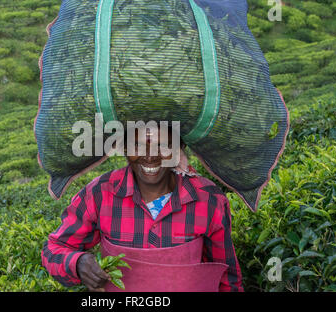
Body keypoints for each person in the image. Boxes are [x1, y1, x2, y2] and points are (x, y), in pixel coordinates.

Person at [41, 125, 244, 292]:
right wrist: (77, 263)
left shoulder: (207, 198)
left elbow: (227, 277)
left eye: (162, 145)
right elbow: (54, 249)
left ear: (179, 147)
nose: (150, 157)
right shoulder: (99, 194)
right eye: (137, 145)